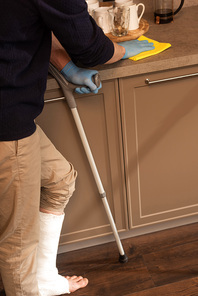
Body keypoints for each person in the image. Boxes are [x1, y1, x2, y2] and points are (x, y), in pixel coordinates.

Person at [0, 1, 154, 295]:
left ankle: (42, 279)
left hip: (11, 116)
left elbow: (33, 19)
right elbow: (89, 46)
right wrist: (120, 50)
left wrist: (66, 65)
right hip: (6, 120)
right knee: (17, 243)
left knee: (59, 180)